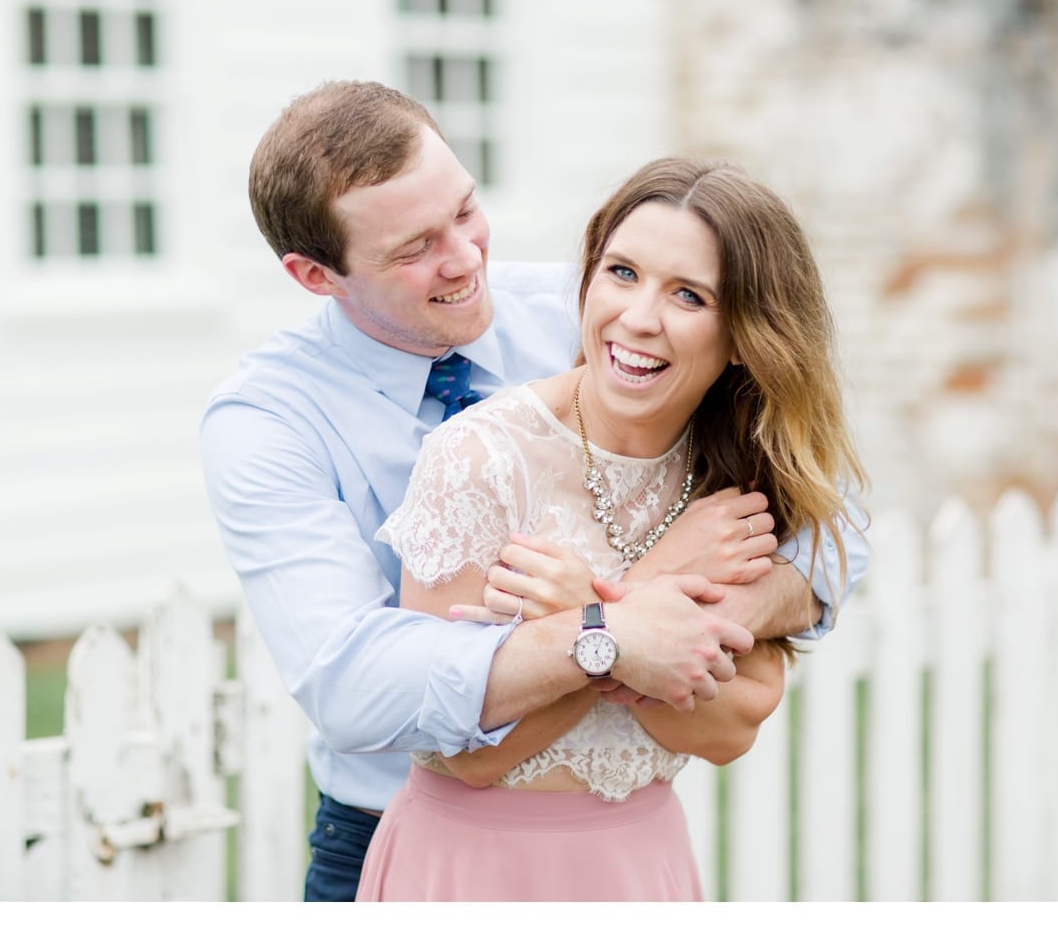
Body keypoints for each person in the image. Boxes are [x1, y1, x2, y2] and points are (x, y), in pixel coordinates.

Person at [200, 81, 869, 900]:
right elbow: (354, 684)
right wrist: (619, 621)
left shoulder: (602, 311)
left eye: (466, 210)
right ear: (316, 275)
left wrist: (696, 618)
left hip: (618, 836)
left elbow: (831, 518)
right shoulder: (267, 420)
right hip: (407, 836)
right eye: (414, 249)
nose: (466, 257)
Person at [354, 156, 868, 901]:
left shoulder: (735, 486)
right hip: (469, 870)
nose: (639, 317)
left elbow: (732, 727)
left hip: (636, 865)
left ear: (745, 335)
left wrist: (571, 624)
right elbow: (465, 752)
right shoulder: (480, 460)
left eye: (689, 294)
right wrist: (628, 619)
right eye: (622, 273)